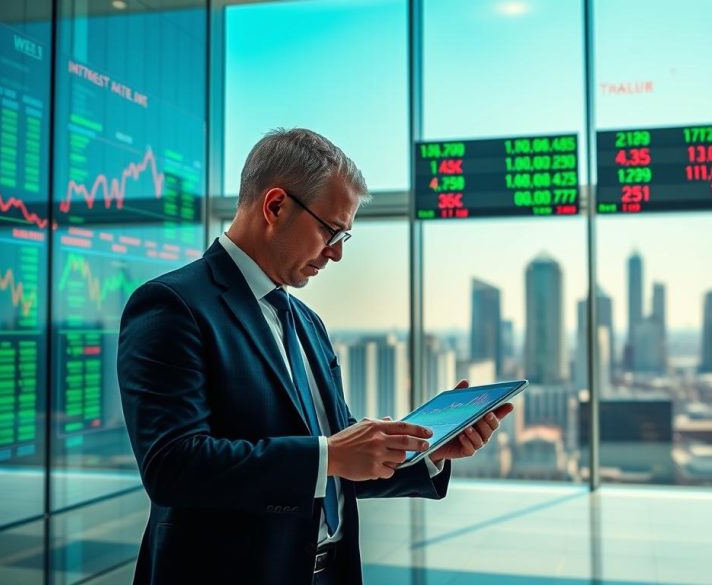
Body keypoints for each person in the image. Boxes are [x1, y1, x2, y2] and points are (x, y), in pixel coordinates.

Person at [117, 128, 514, 584]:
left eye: (345, 235)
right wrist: (329, 455)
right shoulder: (173, 305)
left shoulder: (307, 322)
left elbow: (339, 456)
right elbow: (174, 466)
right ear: (276, 206)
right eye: (331, 229)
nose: (337, 253)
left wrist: (423, 453)